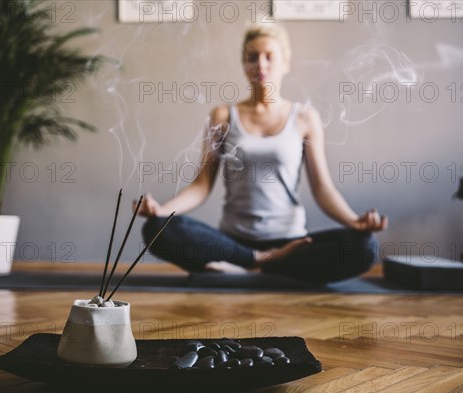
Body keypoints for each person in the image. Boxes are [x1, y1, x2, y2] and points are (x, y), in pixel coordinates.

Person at [138, 24, 387, 284]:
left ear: (286, 63)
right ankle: (261, 262)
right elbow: (201, 186)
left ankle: (252, 267)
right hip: (233, 242)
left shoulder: (304, 118)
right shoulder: (222, 116)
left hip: (292, 243)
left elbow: (323, 189)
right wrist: (162, 211)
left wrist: (354, 221)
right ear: (243, 64)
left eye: (269, 56)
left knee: (364, 248)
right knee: (157, 229)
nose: (261, 65)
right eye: (252, 57)